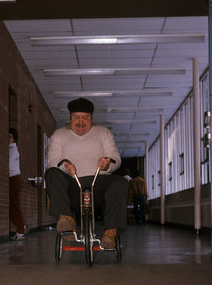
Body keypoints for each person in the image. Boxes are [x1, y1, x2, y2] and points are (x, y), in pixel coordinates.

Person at [45, 98, 128, 249]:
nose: (80, 122)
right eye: (76, 117)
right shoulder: (59, 134)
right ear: (70, 117)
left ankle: (110, 235)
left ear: (92, 117)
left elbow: (116, 157)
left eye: (85, 118)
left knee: (120, 183)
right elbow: (52, 160)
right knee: (51, 173)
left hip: (99, 183)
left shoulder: (104, 133)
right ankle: (66, 221)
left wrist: (107, 163)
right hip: (71, 185)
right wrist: (65, 166)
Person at [9, 128, 25, 240]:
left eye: (9, 137)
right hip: (13, 178)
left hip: (13, 179)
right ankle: (21, 227)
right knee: (12, 205)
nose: (7, 139)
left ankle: (21, 230)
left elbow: (8, 166)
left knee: (14, 205)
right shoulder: (10, 149)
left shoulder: (12, 149)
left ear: (14, 138)